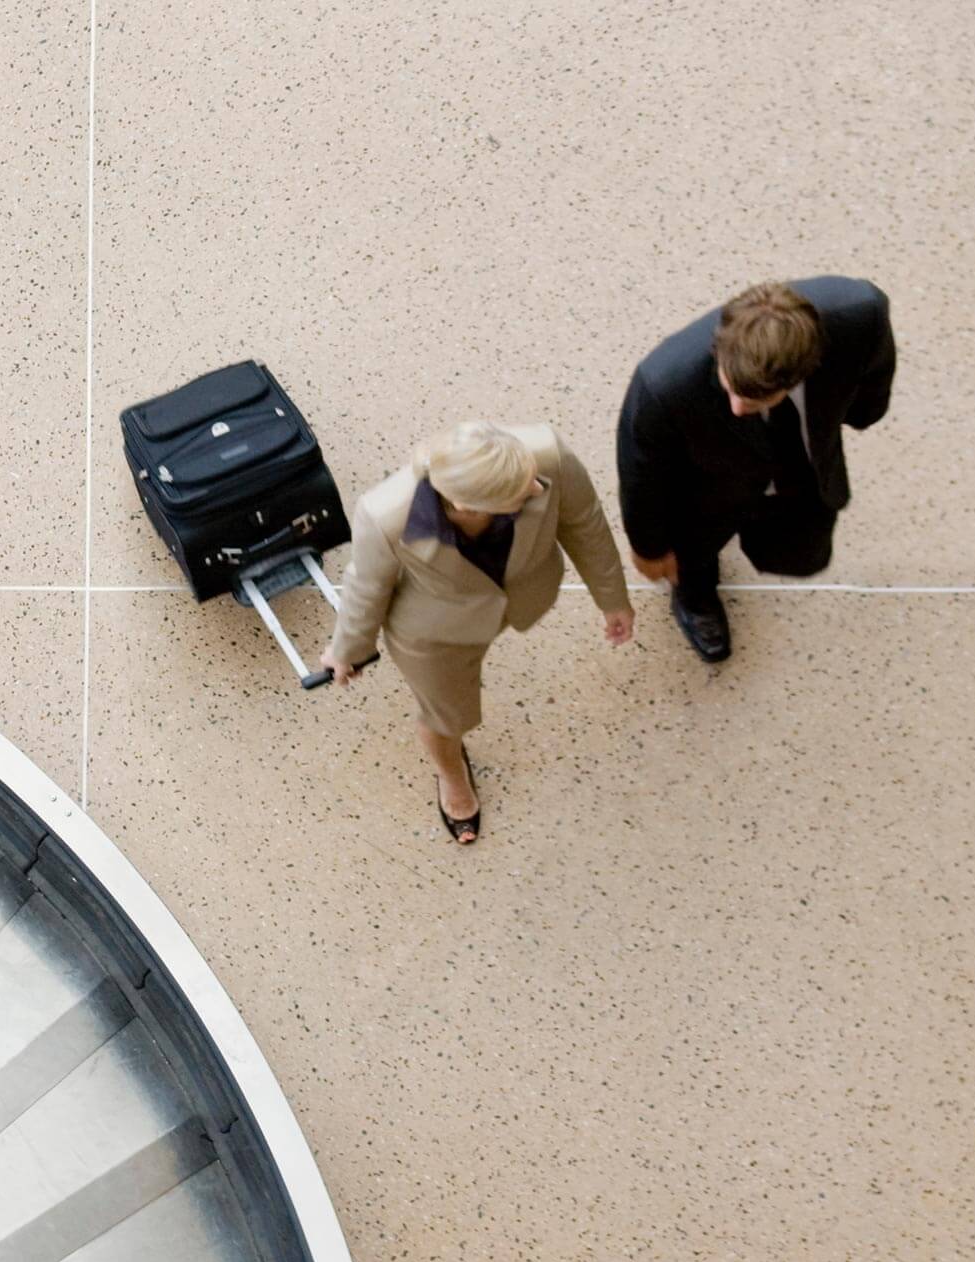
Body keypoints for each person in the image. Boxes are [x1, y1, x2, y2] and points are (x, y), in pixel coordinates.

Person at [321, 422, 635, 843]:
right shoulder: (385, 516)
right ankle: (451, 776)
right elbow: (366, 588)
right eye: (521, 493)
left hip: (524, 592)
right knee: (446, 715)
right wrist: (348, 652)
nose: (538, 490)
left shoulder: (545, 454)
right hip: (435, 631)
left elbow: (585, 523)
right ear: (465, 505)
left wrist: (612, 597)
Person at [616, 277, 896, 661]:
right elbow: (640, 474)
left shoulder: (862, 315)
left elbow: (875, 371)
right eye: (730, 387)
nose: (735, 407)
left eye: (753, 400)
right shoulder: (664, 383)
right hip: (706, 485)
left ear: (803, 370)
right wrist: (648, 547)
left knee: (800, 546)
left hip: (799, 467)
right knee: (692, 551)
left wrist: (864, 411)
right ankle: (695, 596)